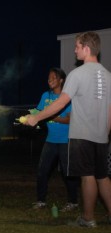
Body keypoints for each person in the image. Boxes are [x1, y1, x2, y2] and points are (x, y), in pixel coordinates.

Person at [25, 31, 111, 228]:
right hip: (101, 136)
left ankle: (88, 218)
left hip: (82, 135)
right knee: (102, 176)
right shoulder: (108, 75)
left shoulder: (77, 74)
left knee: (87, 176)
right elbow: (110, 110)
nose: (75, 50)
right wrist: (106, 133)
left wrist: (36, 117)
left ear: (87, 49)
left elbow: (61, 103)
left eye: (77, 47)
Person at [31, 68, 80, 211]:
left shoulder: (67, 98)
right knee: (42, 171)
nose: (50, 80)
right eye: (48, 78)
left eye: (53, 78)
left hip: (65, 141)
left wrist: (51, 116)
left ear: (61, 80)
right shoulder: (45, 95)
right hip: (50, 140)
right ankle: (41, 201)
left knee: (67, 173)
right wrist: (30, 116)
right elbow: (38, 113)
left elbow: (69, 120)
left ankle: (73, 202)